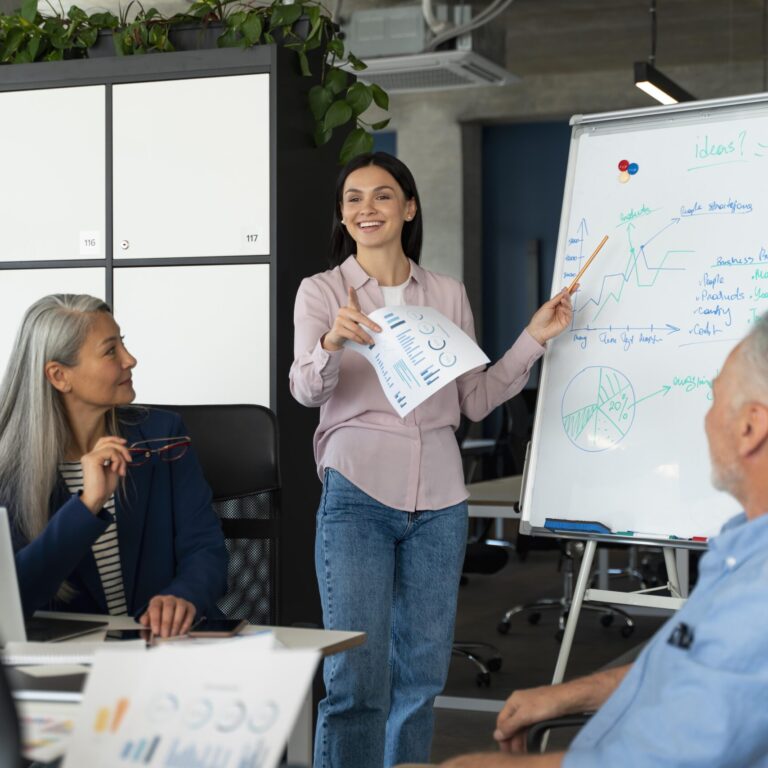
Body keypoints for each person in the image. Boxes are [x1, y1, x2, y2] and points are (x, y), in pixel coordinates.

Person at [290, 151, 574, 768]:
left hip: (442, 501)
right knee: (355, 683)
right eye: (353, 198)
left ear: (409, 207)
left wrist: (532, 338)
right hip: (357, 493)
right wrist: (332, 341)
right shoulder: (322, 291)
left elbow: (473, 400)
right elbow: (307, 392)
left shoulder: (447, 293)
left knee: (420, 682)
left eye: (383, 195)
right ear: (342, 215)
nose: (367, 208)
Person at [439, 314, 768, 767]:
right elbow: (683, 664)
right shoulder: (740, 543)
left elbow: (672, 760)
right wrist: (573, 693)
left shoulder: (757, 590)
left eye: (713, 399)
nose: (705, 419)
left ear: (751, 427)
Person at [2, 294, 228, 638]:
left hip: (167, 647)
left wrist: (184, 596)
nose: (130, 359)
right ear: (59, 375)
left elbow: (205, 547)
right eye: (111, 351)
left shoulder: (163, 435)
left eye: (122, 343)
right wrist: (86, 505)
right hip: (72, 657)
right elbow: (11, 601)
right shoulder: (10, 468)